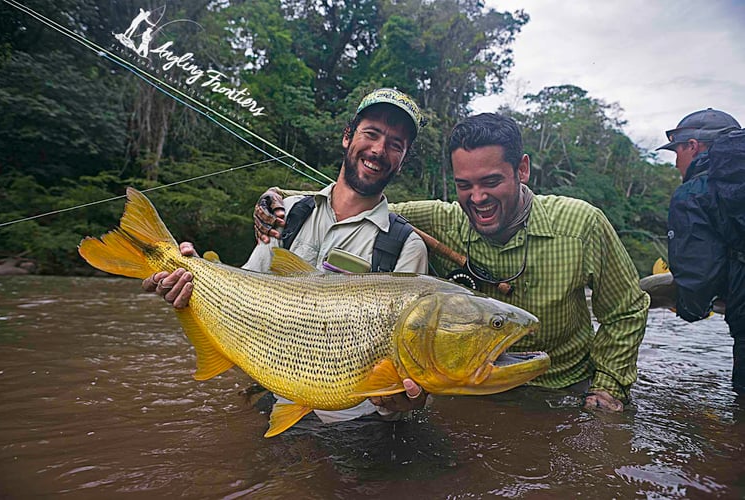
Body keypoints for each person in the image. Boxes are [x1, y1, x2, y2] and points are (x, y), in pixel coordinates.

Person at [257, 112, 650, 412]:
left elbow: (626, 310)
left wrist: (608, 389)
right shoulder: (443, 219)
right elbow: (357, 202)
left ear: (522, 170)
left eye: (491, 182)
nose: (477, 198)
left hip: (561, 394)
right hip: (467, 393)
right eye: (465, 185)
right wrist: (277, 198)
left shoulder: (581, 225)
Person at [143, 88, 430, 421]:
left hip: (354, 426)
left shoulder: (407, 247)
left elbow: (409, 382)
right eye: (372, 133)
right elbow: (240, 297)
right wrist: (190, 282)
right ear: (347, 136)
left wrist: (408, 403)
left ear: (402, 160)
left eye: (395, 144)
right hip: (270, 398)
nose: (379, 150)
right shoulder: (287, 212)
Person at [655, 108, 744, 393]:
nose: (676, 163)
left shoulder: (694, 192)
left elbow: (699, 276)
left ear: (693, 146)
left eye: (676, 153)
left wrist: (689, 307)